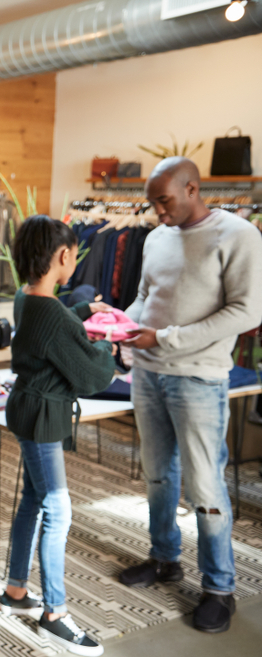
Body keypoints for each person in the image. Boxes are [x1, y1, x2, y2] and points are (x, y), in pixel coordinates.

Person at [119, 157, 262, 634]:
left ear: (193, 188)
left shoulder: (238, 235)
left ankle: (219, 587)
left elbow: (245, 311)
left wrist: (165, 338)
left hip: (198, 378)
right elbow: (145, 296)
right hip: (148, 374)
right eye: (152, 204)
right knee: (158, 475)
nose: (158, 212)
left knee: (205, 485)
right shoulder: (157, 237)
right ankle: (164, 558)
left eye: (165, 201)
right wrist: (120, 322)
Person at [0, 215, 115, 657]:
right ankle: (54, 613)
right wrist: (110, 347)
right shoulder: (51, 313)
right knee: (58, 510)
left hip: (27, 409)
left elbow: (54, 322)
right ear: (64, 256)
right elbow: (90, 375)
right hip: (43, 417)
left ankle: (14, 590)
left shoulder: (26, 298)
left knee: (33, 499)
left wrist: (85, 313)